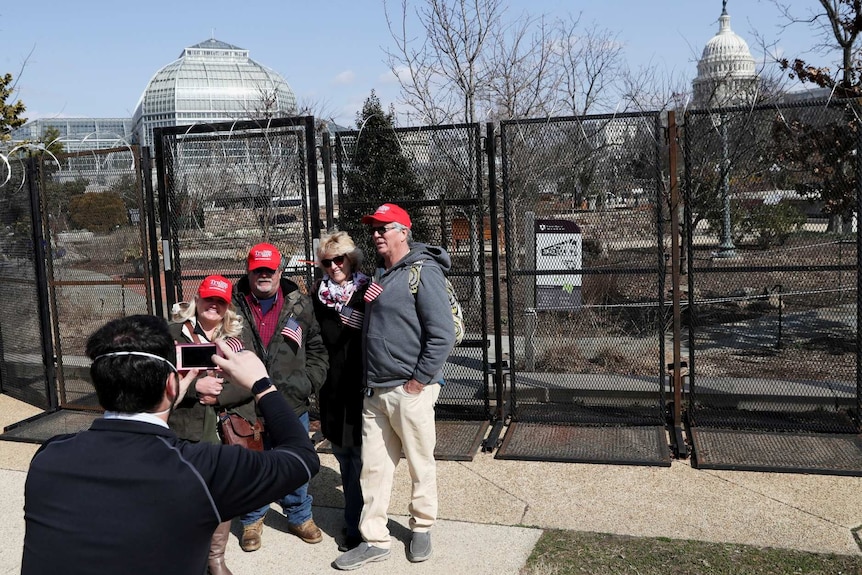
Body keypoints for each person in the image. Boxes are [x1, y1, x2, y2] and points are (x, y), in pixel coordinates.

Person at [22, 314, 320, 575]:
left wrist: (166, 401)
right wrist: (262, 385)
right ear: (170, 385)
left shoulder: (48, 458)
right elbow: (302, 458)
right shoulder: (203, 468)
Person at [334, 203, 456, 570]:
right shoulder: (379, 275)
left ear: (404, 231)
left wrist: (417, 383)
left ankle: (422, 526)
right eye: (373, 229)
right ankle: (374, 538)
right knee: (373, 468)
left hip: (408, 390)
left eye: (383, 228)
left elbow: (442, 334)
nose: (376, 234)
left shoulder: (424, 272)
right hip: (375, 390)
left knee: (420, 462)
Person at [232, 242, 329, 551]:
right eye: (258, 270)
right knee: (252, 463)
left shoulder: (300, 304)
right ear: (248, 271)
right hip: (245, 404)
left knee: (294, 462)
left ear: (279, 271)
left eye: (269, 270)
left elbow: (317, 348)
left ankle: (300, 515)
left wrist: (308, 382)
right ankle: (252, 519)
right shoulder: (230, 305)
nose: (264, 275)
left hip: (290, 401)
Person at [168, 274, 254, 575]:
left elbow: (252, 381)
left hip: (224, 429)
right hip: (183, 429)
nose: (213, 305)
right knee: (184, 496)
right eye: (208, 299)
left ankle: (215, 559)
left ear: (227, 306)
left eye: (220, 301)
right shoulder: (173, 335)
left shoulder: (236, 339)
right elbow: (157, 379)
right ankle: (186, 556)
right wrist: (195, 389)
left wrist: (217, 395)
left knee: (222, 494)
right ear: (197, 300)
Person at [311, 231, 370, 552]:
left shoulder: (368, 291)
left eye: (340, 259)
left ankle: (358, 526)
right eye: (327, 261)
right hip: (332, 391)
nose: (334, 266)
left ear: (352, 259)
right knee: (344, 457)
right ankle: (355, 520)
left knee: (362, 460)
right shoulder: (317, 298)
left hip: (363, 391)